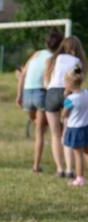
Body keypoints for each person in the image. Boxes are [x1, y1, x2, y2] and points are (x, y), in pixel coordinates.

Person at [16, 29, 63, 173]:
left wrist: (19, 95)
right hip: (40, 93)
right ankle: (36, 166)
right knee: (41, 131)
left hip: (27, 93)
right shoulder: (54, 59)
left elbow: (23, 74)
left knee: (40, 125)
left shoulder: (36, 54)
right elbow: (49, 81)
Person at [45, 36, 87, 178]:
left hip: (51, 93)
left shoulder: (55, 59)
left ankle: (59, 169)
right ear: (76, 48)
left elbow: (48, 79)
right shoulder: (77, 61)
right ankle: (70, 169)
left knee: (55, 134)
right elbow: (76, 80)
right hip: (66, 92)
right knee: (67, 132)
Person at [62, 67, 88, 187]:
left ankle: (79, 178)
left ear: (69, 83)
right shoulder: (86, 93)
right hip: (86, 126)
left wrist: (66, 97)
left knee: (78, 155)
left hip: (75, 129)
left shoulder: (70, 99)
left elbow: (64, 114)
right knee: (87, 152)